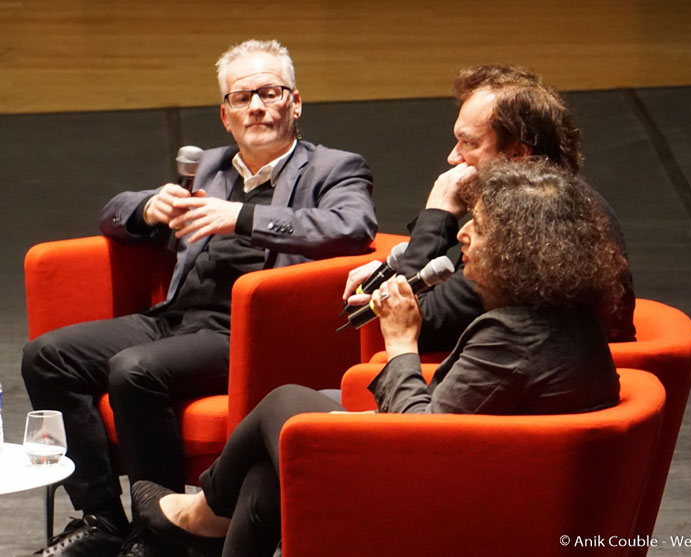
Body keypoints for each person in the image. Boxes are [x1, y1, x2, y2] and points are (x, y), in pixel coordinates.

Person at [131, 158, 625, 557]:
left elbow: (421, 440)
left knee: (284, 402)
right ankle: (207, 517)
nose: (465, 235)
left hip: (447, 508)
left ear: (523, 250)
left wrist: (401, 342)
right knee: (264, 480)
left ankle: (204, 513)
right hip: (501, 487)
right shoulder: (571, 321)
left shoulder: (513, 335)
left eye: (483, 227)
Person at [21, 39, 377, 557]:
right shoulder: (211, 167)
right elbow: (112, 212)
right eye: (241, 98)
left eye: (269, 92)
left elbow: (351, 227)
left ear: (294, 103)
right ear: (225, 115)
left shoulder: (334, 168)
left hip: (250, 332)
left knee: (134, 369)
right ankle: (101, 518)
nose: (255, 106)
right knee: (46, 357)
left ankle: (162, 534)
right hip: (178, 318)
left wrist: (243, 218)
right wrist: (147, 208)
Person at [343, 65, 635, 350]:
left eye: (468, 143)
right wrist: (391, 270)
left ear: (517, 154)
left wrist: (437, 214)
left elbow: (418, 323)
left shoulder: (531, 227)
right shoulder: (559, 201)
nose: (453, 157)